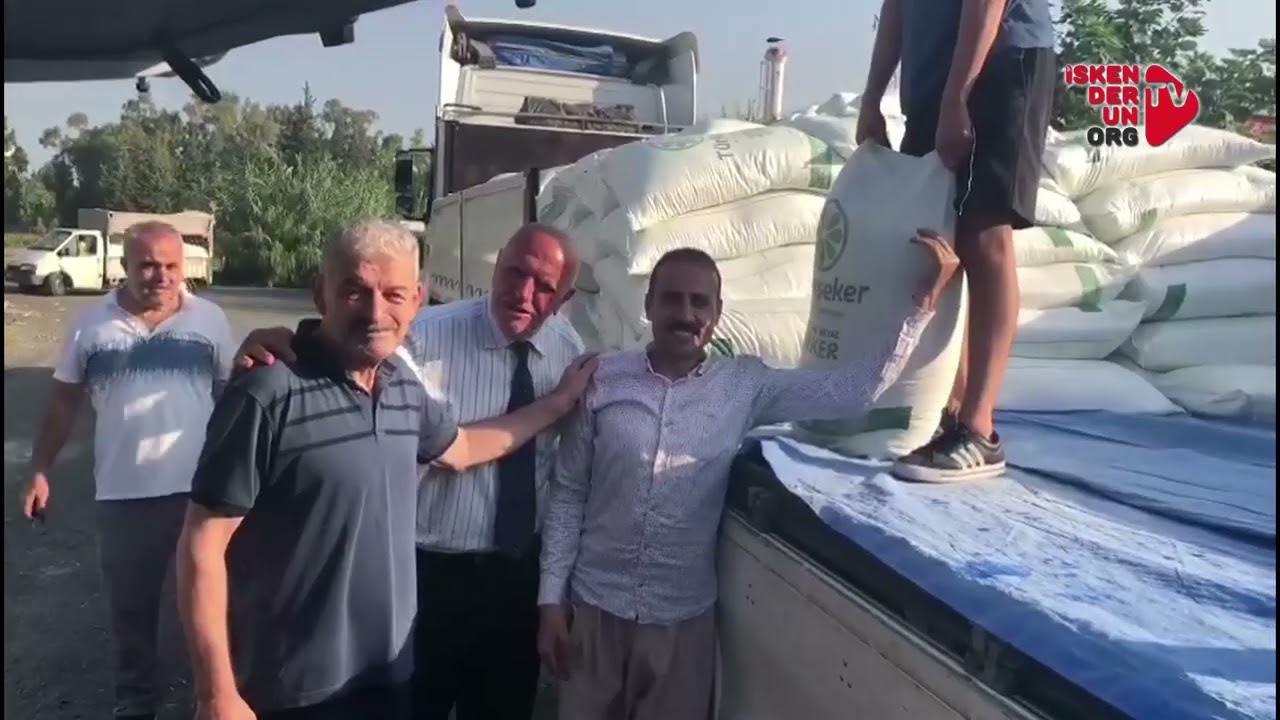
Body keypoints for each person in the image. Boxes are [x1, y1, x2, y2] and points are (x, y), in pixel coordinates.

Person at [178, 220, 596, 720]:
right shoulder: (275, 389)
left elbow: (462, 447)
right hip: (323, 659)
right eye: (356, 291)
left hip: (413, 645)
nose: (377, 312)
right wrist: (215, 693)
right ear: (321, 292)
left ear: (416, 298)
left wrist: (558, 403)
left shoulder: (402, 385)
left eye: (394, 294)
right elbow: (202, 544)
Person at [537, 234, 961, 720]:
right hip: (594, 613)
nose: (686, 314)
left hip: (680, 625)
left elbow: (851, 392)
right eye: (672, 299)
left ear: (717, 313)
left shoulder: (744, 386)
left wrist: (921, 305)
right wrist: (550, 601)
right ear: (649, 305)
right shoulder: (601, 379)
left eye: (700, 302)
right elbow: (568, 494)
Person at [19, 221, 236, 720]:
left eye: (172, 266)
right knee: (131, 614)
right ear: (124, 265)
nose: (162, 276)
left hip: (202, 497)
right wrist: (40, 469)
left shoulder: (210, 321)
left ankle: (214, 700)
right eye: (148, 265)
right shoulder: (90, 325)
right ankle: (136, 704)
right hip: (124, 497)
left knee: (210, 608)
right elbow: (63, 402)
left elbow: (231, 396)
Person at [856, 0, 1056, 482]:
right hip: (935, 73)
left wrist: (958, 96)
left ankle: (978, 428)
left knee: (984, 237)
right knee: (934, 236)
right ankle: (949, 411)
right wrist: (872, 97)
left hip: (1000, 60)